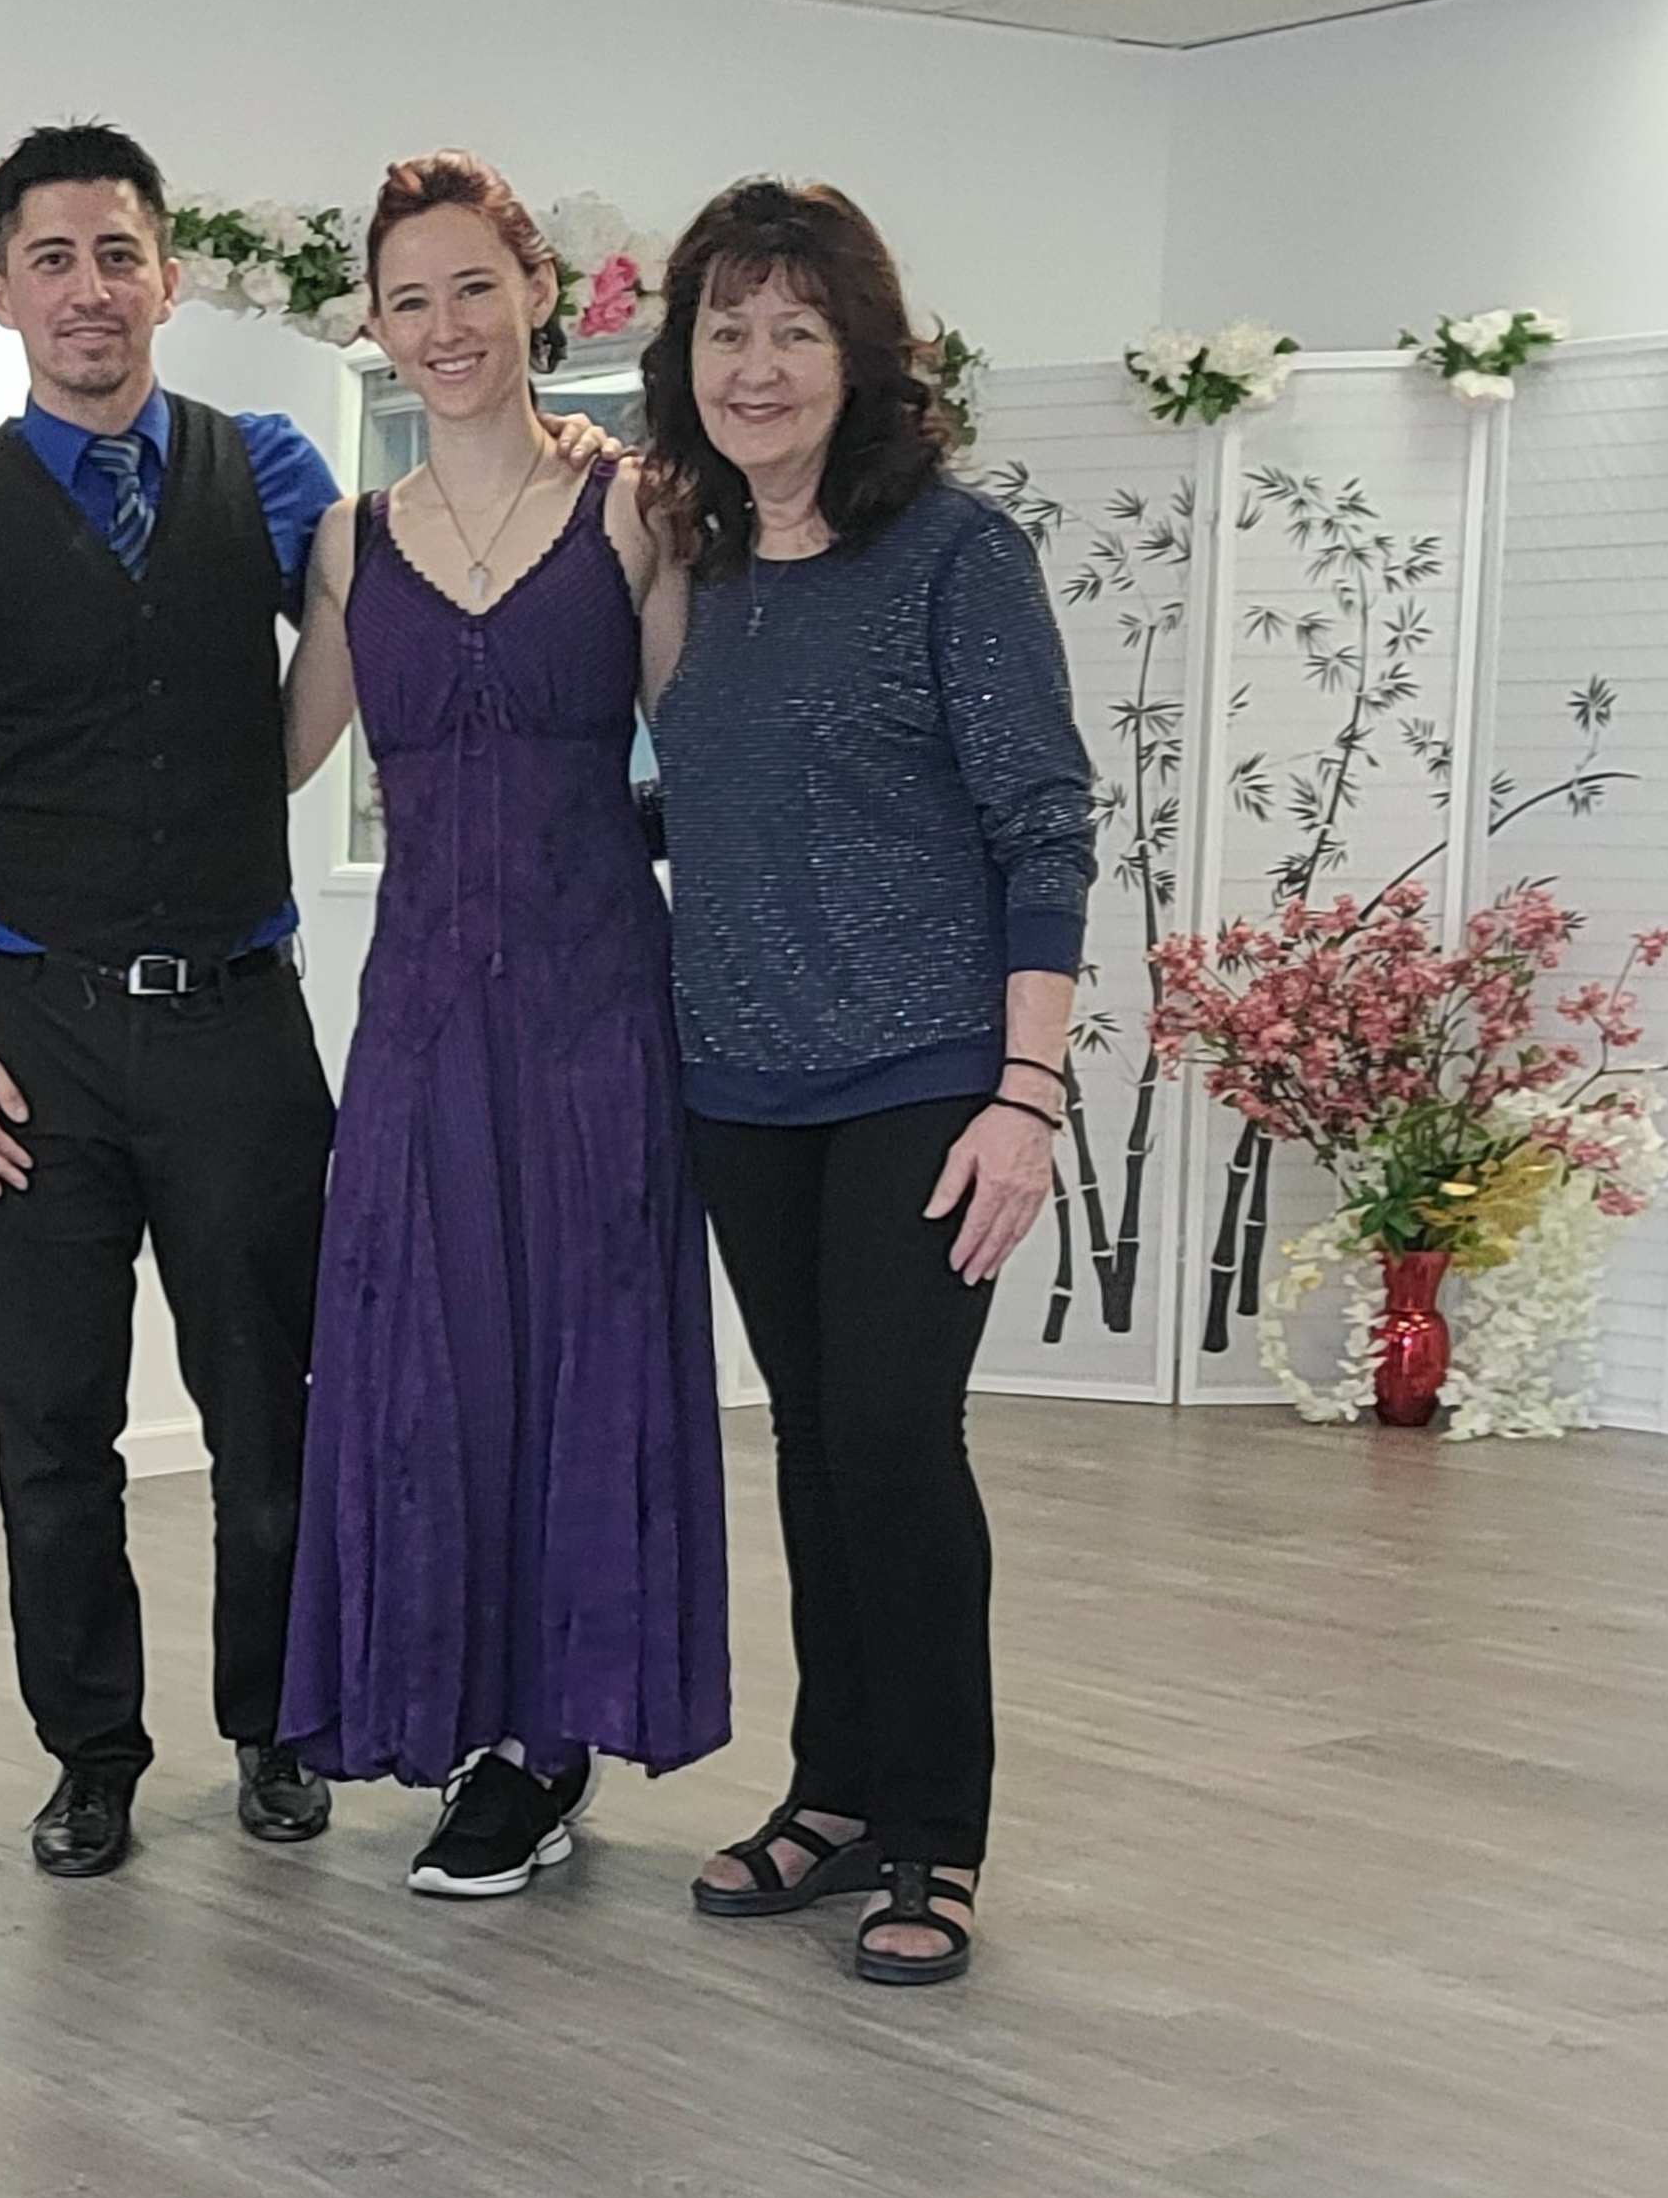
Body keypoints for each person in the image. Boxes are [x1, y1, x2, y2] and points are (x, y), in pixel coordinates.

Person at [0, 123, 342, 1881]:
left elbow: (424, 613)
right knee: (51, 1424)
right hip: (35, 1033)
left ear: (170, 276)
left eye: (117, 253)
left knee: (268, 1404)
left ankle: (280, 1725)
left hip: (242, 1021)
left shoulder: (276, 476)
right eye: (51, 257)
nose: (88, 289)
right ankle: (93, 1751)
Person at [640, 179, 1094, 1989]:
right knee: (817, 1450)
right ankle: (835, 1793)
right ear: (687, 357)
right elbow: (711, 808)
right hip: (741, 1076)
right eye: (728, 331)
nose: (758, 366)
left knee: (902, 1444)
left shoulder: (957, 557)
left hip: (925, 1073)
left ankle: (936, 1832)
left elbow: (1044, 823)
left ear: (862, 354)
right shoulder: (709, 572)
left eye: (796, 330)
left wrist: (1028, 1089)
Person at [276, 158, 729, 1895]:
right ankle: (455, 1703)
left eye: (474, 288)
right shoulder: (348, 542)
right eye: (411, 300)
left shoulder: (635, 510)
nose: (445, 327)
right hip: (414, 1029)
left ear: (536, 293)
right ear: (376, 328)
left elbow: (714, 762)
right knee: (423, 1363)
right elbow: (280, 758)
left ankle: (549, 1738)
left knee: (575, 1352)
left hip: (595, 1007)